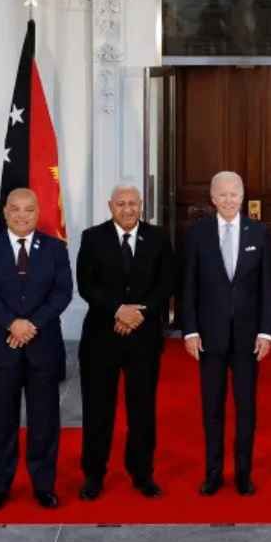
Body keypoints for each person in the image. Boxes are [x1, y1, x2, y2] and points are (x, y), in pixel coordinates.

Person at [0, 188, 72, 511]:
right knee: (1, 422)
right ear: (4, 212)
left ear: (37, 212)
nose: (21, 215)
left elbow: (62, 293)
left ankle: (43, 486)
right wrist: (12, 324)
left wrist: (30, 325)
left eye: (28, 209)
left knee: (44, 421)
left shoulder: (55, 248)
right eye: (15, 209)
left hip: (43, 347)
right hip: (1, 346)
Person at [75, 183, 174, 501]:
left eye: (133, 203)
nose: (128, 209)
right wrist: (118, 310)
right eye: (121, 203)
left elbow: (167, 282)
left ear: (141, 205)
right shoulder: (93, 237)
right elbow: (86, 284)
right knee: (97, 410)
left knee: (142, 410)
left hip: (144, 338)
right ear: (110, 206)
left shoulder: (158, 237)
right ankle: (93, 475)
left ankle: (142, 474)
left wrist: (139, 314)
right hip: (101, 338)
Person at [179, 170, 271, 496]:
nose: (229, 200)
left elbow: (268, 287)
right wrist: (190, 331)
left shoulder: (259, 232)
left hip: (249, 339)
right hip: (210, 337)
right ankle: (213, 473)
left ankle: (244, 474)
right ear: (212, 198)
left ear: (243, 197)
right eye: (223, 194)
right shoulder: (197, 234)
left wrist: (266, 332)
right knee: (213, 409)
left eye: (234, 194)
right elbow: (188, 285)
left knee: (246, 409)